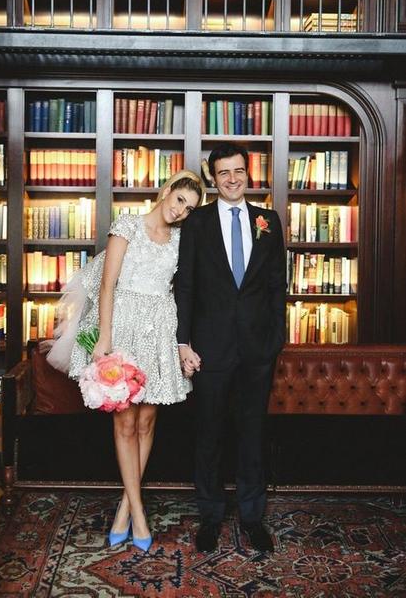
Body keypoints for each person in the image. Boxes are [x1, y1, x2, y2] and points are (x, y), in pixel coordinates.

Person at [46, 170, 204, 552]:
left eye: (189, 208)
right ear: (167, 191)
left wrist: (183, 343)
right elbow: (107, 284)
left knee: (147, 421)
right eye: (180, 200)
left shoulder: (181, 239)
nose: (181, 211)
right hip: (122, 328)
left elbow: (185, 289)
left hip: (159, 330)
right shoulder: (127, 225)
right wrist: (104, 338)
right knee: (125, 422)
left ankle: (124, 510)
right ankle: (139, 514)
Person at [174, 143, 286, 554]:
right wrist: (183, 341)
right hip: (210, 348)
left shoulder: (268, 221)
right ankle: (210, 516)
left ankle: (253, 518)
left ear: (247, 174)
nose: (232, 179)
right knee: (209, 434)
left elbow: (276, 285)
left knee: (252, 434)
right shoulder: (197, 223)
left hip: (257, 349)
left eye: (238, 171)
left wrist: (275, 339)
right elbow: (186, 285)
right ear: (213, 178)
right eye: (224, 173)